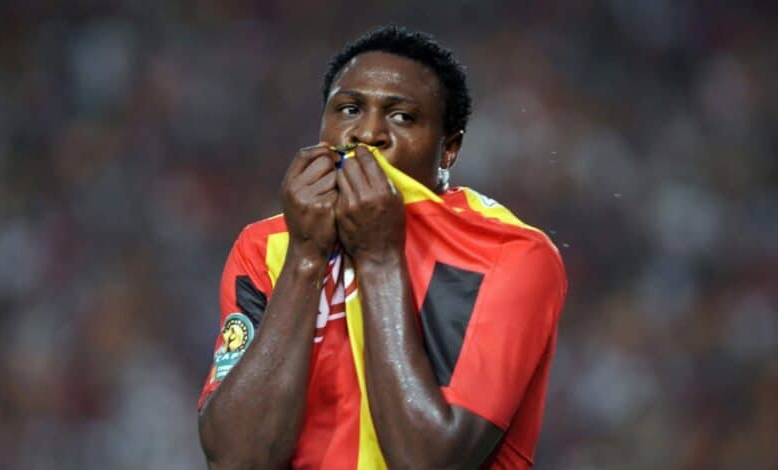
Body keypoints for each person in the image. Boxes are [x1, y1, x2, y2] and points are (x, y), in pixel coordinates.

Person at [197, 25, 567, 469]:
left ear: (448, 149)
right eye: (349, 109)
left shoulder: (506, 253)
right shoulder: (267, 246)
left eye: (402, 117)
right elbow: (236, 460)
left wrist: (378, 258)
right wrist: (306, 256)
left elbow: (428, 462)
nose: (368, 133)